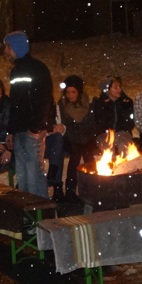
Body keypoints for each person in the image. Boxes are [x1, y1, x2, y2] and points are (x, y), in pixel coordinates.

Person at [3, 31, 54, 198]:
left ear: (17, 46)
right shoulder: (16, 71)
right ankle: (26, 206)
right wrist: (11, 131)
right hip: (20, 131)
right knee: (23, 172)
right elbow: (15, 102)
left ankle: (39, 207)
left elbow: (44, 100)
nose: (6, 51)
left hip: (32, 131)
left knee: (34, 171)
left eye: (8, 47)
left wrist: (35, 127)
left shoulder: (37, 69)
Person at [57, 75, 95, 204]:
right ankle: (70, 192)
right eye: (68, 92)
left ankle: (93, 188)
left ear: (79, 92)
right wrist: (76, 138)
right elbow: (65, 126)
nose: (70, 95)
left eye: (73, 92)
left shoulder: (86, 102)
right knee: (75, 155)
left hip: (86, 136)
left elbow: (90, 124)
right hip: (70, 137)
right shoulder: (62, 104)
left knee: (89, 157)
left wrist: (85, 139)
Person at [91, 76, 135, 155]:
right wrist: (107, 106)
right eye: (115, 87)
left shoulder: (126, 102)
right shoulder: (99, 103)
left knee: (125, 148)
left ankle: (127, 163)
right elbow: (99, 124)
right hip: (104, 134)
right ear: (108, 89)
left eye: (120, 86)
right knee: (108, 149)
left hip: (123, 133)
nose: (119, 89)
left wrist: (122, 106)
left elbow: (130, 123)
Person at [44, 101, 65, 202]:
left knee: (58, 141)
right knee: (58, 150)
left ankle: (53, 174)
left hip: (51, 144)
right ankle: (58, 188)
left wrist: (62, 128)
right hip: (38, 144)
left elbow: (59, 125)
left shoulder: (54, 106)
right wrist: (50, 131)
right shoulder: (34, 106)